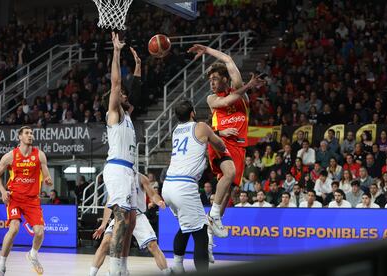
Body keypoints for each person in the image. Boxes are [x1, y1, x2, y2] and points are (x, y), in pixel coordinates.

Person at [188, 43, 265, 236]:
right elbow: (227, 101)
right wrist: (248, 86)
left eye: (215, 79)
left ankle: (210, 233)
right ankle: (213, 215)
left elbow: (229, 60)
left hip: (239, 146)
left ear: (225, 79)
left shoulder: (241, 94)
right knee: (227, 176)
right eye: (210, 80)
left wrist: (207, 50)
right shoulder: (211, 99)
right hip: (221, 143)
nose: (212, 83)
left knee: (228, 192)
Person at [162, 100, 227, 273]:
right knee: (201, 232)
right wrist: (222, 142)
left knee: (185, 226)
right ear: (192, 113)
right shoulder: (201, 126)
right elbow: (219, 144)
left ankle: (177, 266)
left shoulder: (176, 130)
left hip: (168, 185)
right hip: (184, 185)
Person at [103, 32, 142, 276]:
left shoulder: (128, 116)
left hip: (130, 170)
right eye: (121, 95)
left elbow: (135, 90)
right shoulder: (114, 115)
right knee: (121, 219)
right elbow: (116, 84)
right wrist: (117, 52)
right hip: (117, 168)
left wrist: (138, 65)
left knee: (131, 222)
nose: (124, 95)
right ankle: (113, 269)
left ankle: (123, 266)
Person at [0, 126, 53, 275]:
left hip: (32, 200)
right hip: (15, 198)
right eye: (27, 133)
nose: (30, 135)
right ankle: (1, 264)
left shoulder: (40, 155)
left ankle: (32, 254)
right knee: (14, 229)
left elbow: (46, 175)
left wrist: (48, 179)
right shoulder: (10, 156)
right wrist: (2, 191)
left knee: (39, 232)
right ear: (19, 137)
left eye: (31, 133)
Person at [89, 173, 170, 276]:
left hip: (138, 215)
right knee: (105, 242)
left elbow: (153, 194)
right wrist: (103, 224)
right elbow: (109, 203)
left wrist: (159, 201)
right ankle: (92, 274)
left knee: (152, 245)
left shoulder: (140, 178)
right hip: (121, 216)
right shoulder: (117, 178)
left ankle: (167, 272)